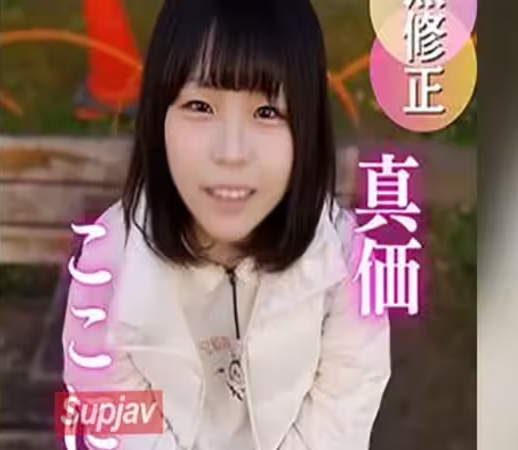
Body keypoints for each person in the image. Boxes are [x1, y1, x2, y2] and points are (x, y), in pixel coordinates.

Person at [62, 0, 391, 448]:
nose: (232, 153)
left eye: (267, 113)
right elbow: (109, 411)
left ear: (308, 129)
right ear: (157, 115)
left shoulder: (349, 258)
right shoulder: (108, 261)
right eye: (200, 105)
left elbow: (345, 406)